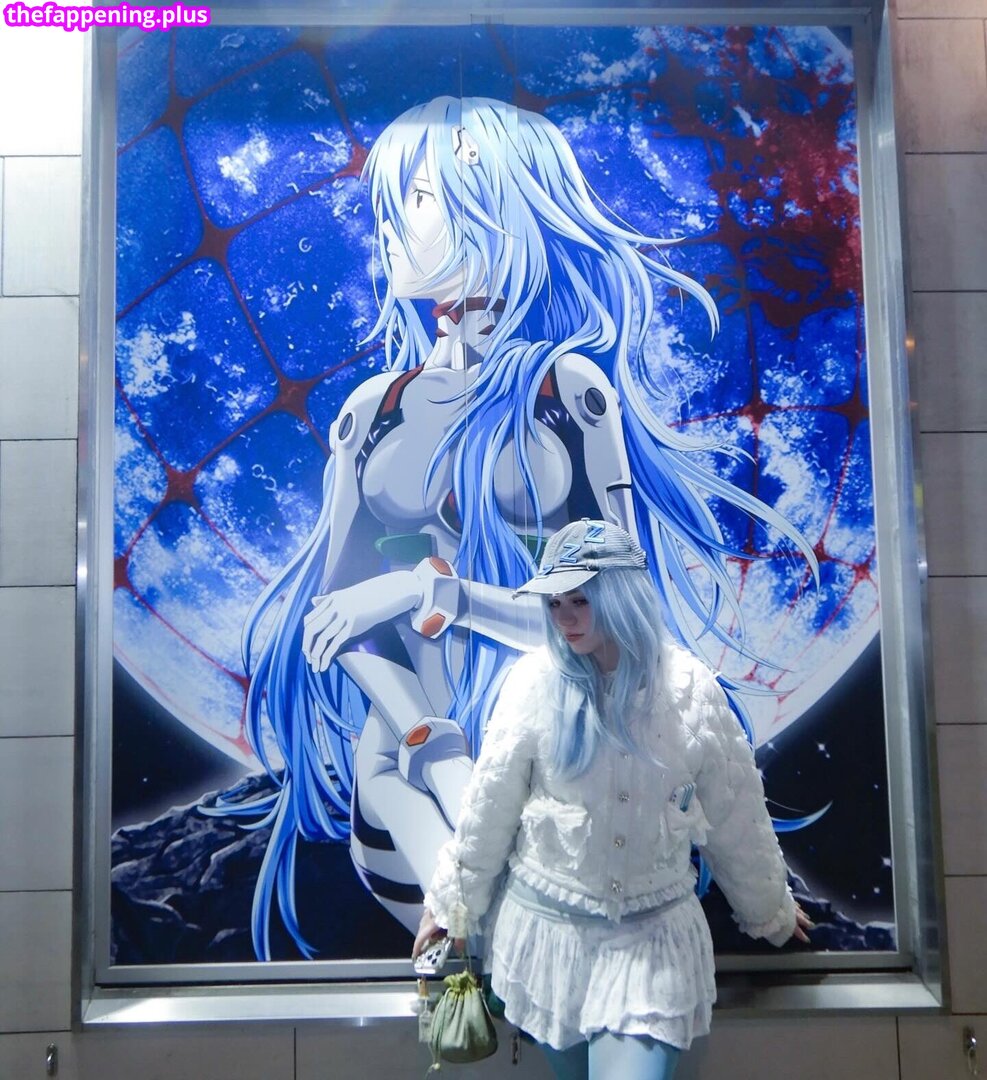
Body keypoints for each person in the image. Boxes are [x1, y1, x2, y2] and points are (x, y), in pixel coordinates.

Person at [230, 95, 815, 960]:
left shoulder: (566, 394)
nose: (388, 225)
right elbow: (334, 618)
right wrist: (430, 742)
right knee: (403, 792)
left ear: (495, 207)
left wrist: (432, 593)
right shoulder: (372, 411)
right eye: (391, 200)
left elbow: (619, 611)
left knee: (548, 979)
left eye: (417, 197)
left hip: (556, 770)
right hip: (408, 783)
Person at [413, 518, 812, 1080]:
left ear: (622, 596)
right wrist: (450, 905)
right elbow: (489, 810)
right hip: (547, 938)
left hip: (651, 941)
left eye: (581, 600)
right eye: (555, 602)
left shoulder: (691, 691)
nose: (564, 618)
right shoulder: (533, 684)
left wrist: (769, 909)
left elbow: (735, 816)